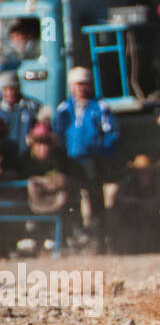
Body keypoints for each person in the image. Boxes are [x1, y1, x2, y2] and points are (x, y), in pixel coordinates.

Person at [52, 68, 119, 253]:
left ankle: (100, 241)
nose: (81, 88)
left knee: (95, 199)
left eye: (85, 84)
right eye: (77, 85)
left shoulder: (99, 107)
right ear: (71, 87)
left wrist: (102, 152)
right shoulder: (65, 109)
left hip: (92, 159)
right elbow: (57, 133)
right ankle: (75, 238)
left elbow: (112, 133)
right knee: (71, 199)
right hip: (71, 160)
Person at [112, 154, 160, 254]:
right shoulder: (127, 183)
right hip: (130, 221)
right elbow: (118, 200)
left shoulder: (157, 184)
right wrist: (138, 204)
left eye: (147, 171)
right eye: (141, 172)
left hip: (152, 220)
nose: (144, 174)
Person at [0, 71, 40, 163]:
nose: (10, 93)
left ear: (19, 88)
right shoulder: (1, 111)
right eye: (6, 89)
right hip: (5, 162)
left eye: (13, 89)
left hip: (27, 160)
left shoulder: (31, 108)